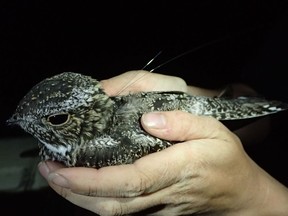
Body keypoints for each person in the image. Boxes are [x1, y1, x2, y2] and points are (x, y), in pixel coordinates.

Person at [38, 71, 288, 216]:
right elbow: (267, 80)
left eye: (56, 120)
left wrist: (251, 196)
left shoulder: (92, 149)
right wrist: (202, 96)